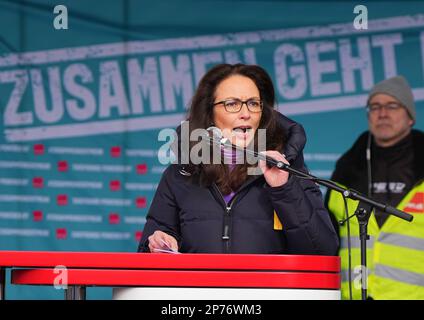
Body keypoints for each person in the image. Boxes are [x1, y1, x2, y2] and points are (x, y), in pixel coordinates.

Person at [138, 63, 339, 256]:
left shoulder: (287, 168)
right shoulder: (181, 174)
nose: (245, 113)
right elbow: (146, 251)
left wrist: (283, 190)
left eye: (253, 103)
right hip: (198, 292)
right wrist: (158, 243)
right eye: (232, 104)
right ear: (209, 113)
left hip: (268, 292)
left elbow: (322, 252)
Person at [325, 76, 424, 299]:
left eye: (392, 105)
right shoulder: (347, 168)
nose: (383, 113)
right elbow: (325, 237)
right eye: (375, 106)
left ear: (410, 116)